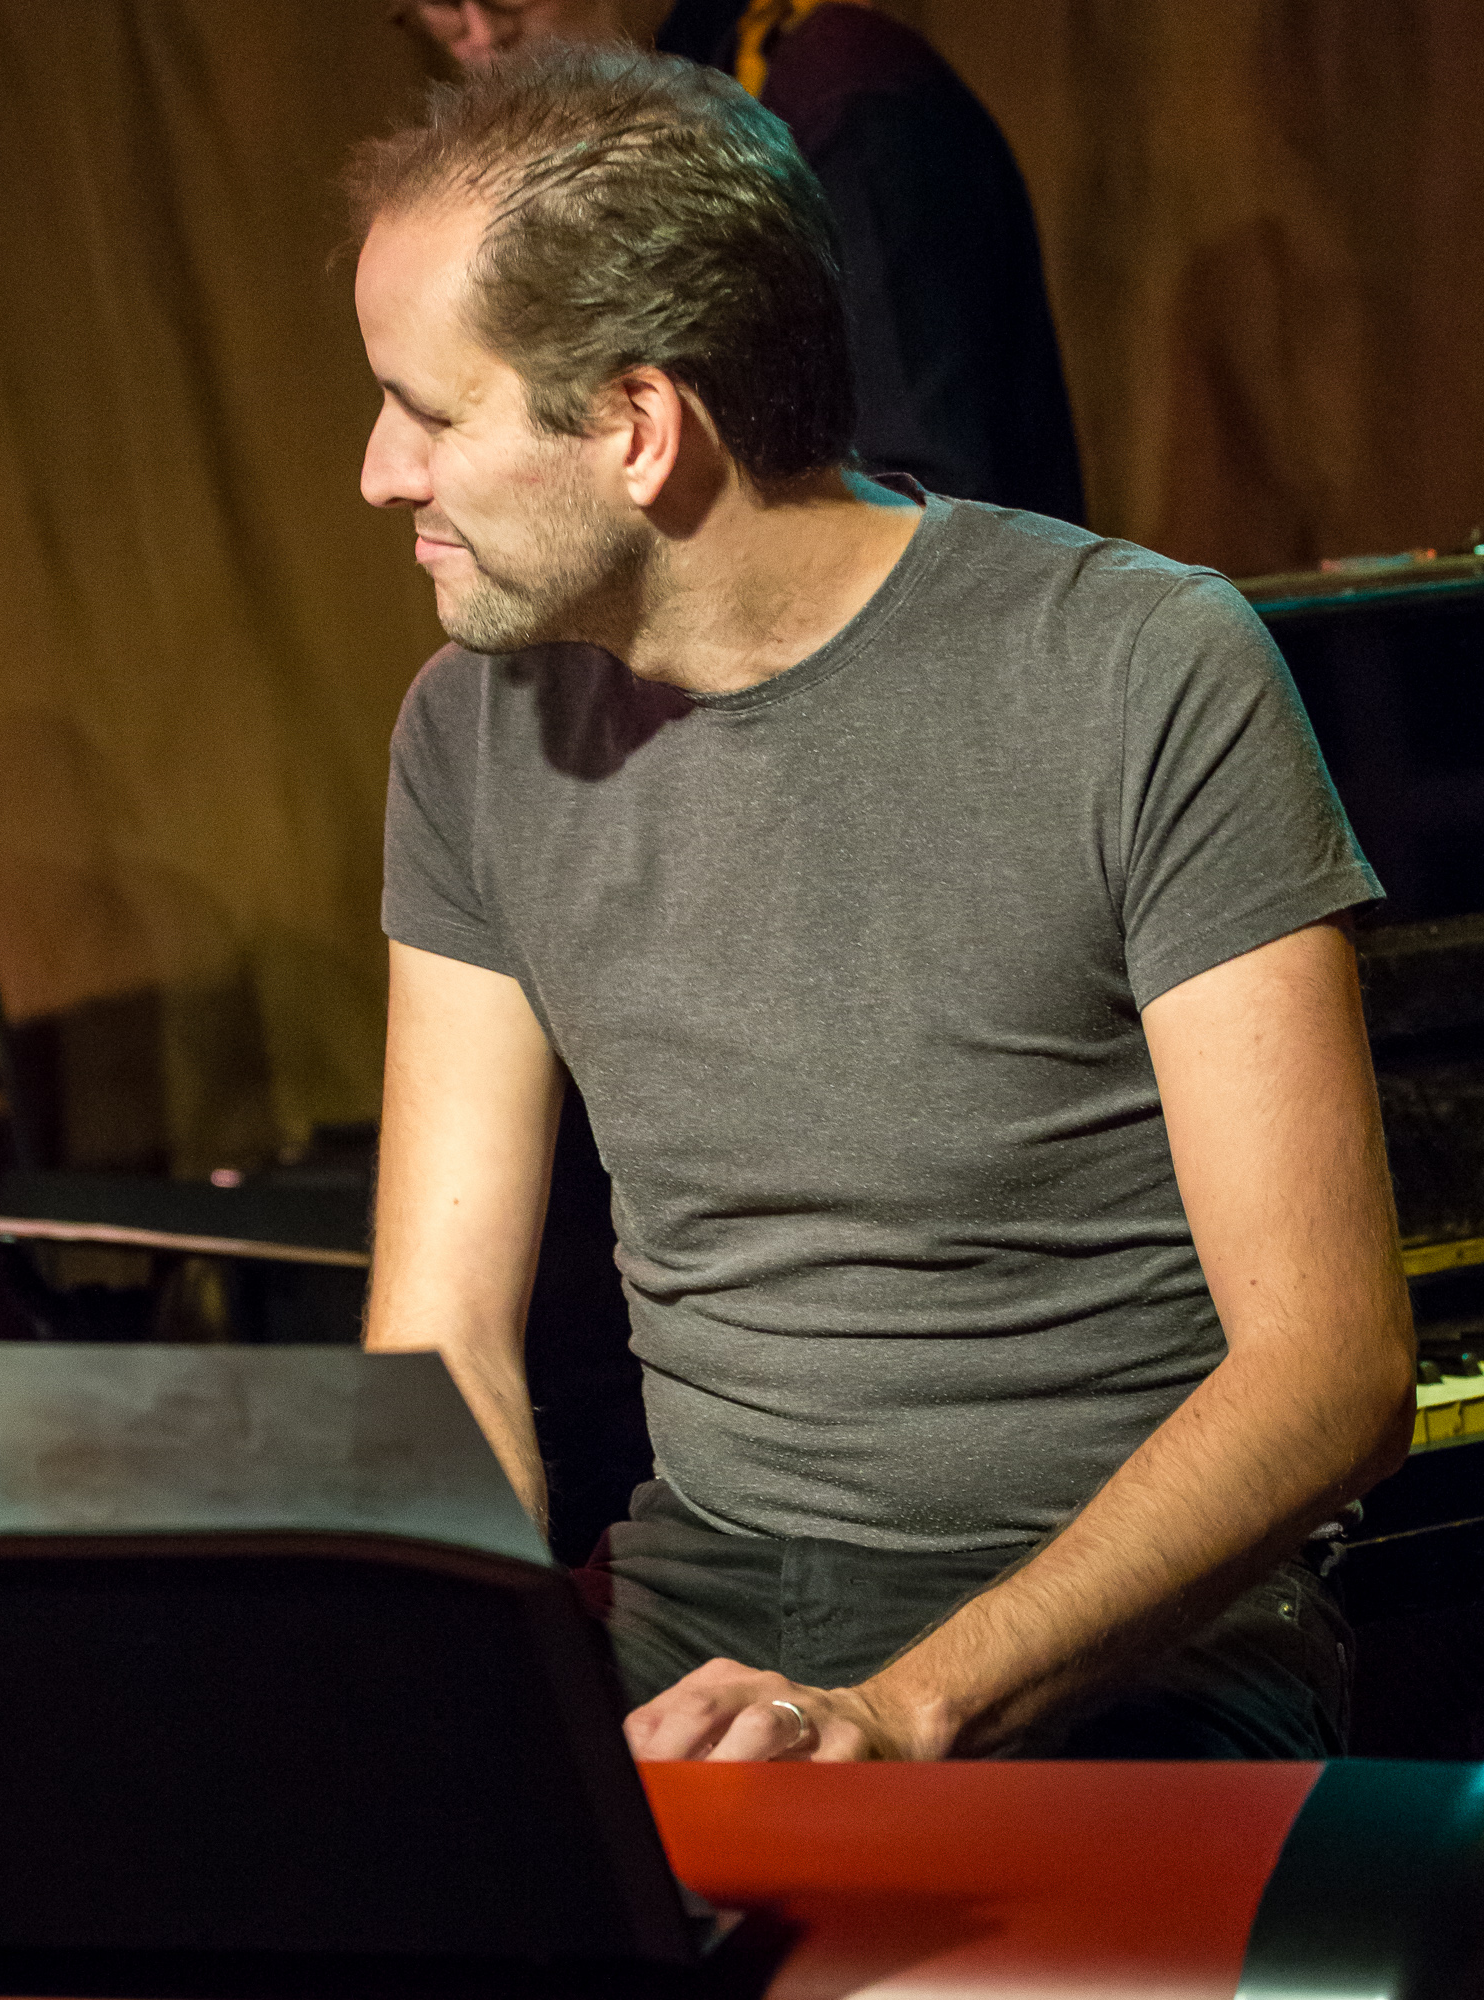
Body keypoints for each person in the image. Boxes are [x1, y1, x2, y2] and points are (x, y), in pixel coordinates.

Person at [349, 49, 1414, 1762]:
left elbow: (1334, 1374)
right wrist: (460, 1690)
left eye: (430, 411)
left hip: (1128, 1621)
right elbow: (445, 1343)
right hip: (703, 1593)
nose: (380, 473)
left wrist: (897, 1714)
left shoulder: (1141, 671)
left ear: (637, 429)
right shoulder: (471, 735)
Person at [402, 0, 1084, 522]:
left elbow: (923, 503)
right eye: (438, 6)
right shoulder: (683, 115)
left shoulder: (842, 98)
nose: (482, 36)